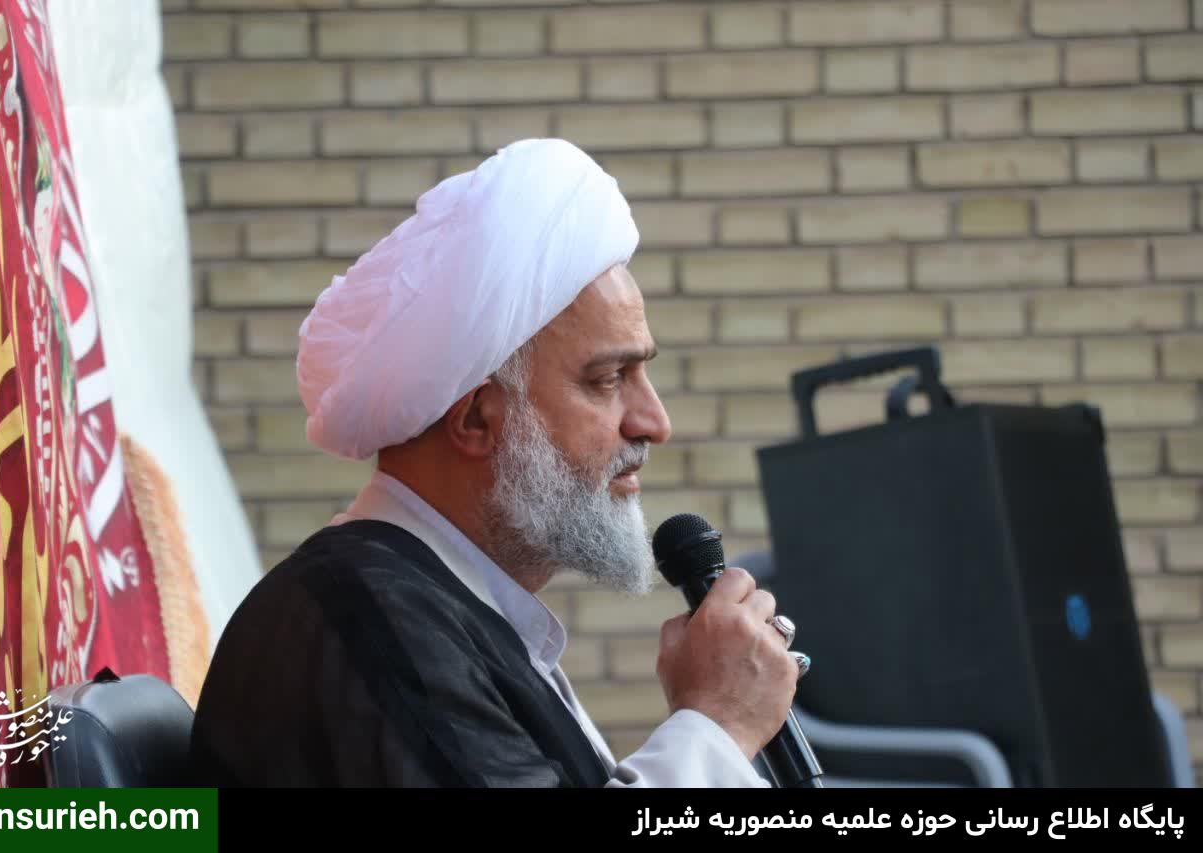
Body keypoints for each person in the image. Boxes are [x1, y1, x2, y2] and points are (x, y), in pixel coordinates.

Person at [188, 138, 805, 787]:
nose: (654, 421)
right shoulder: (372, 622)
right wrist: (717, 723)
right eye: (607, 379)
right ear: (477, 419)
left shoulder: (439, 608)